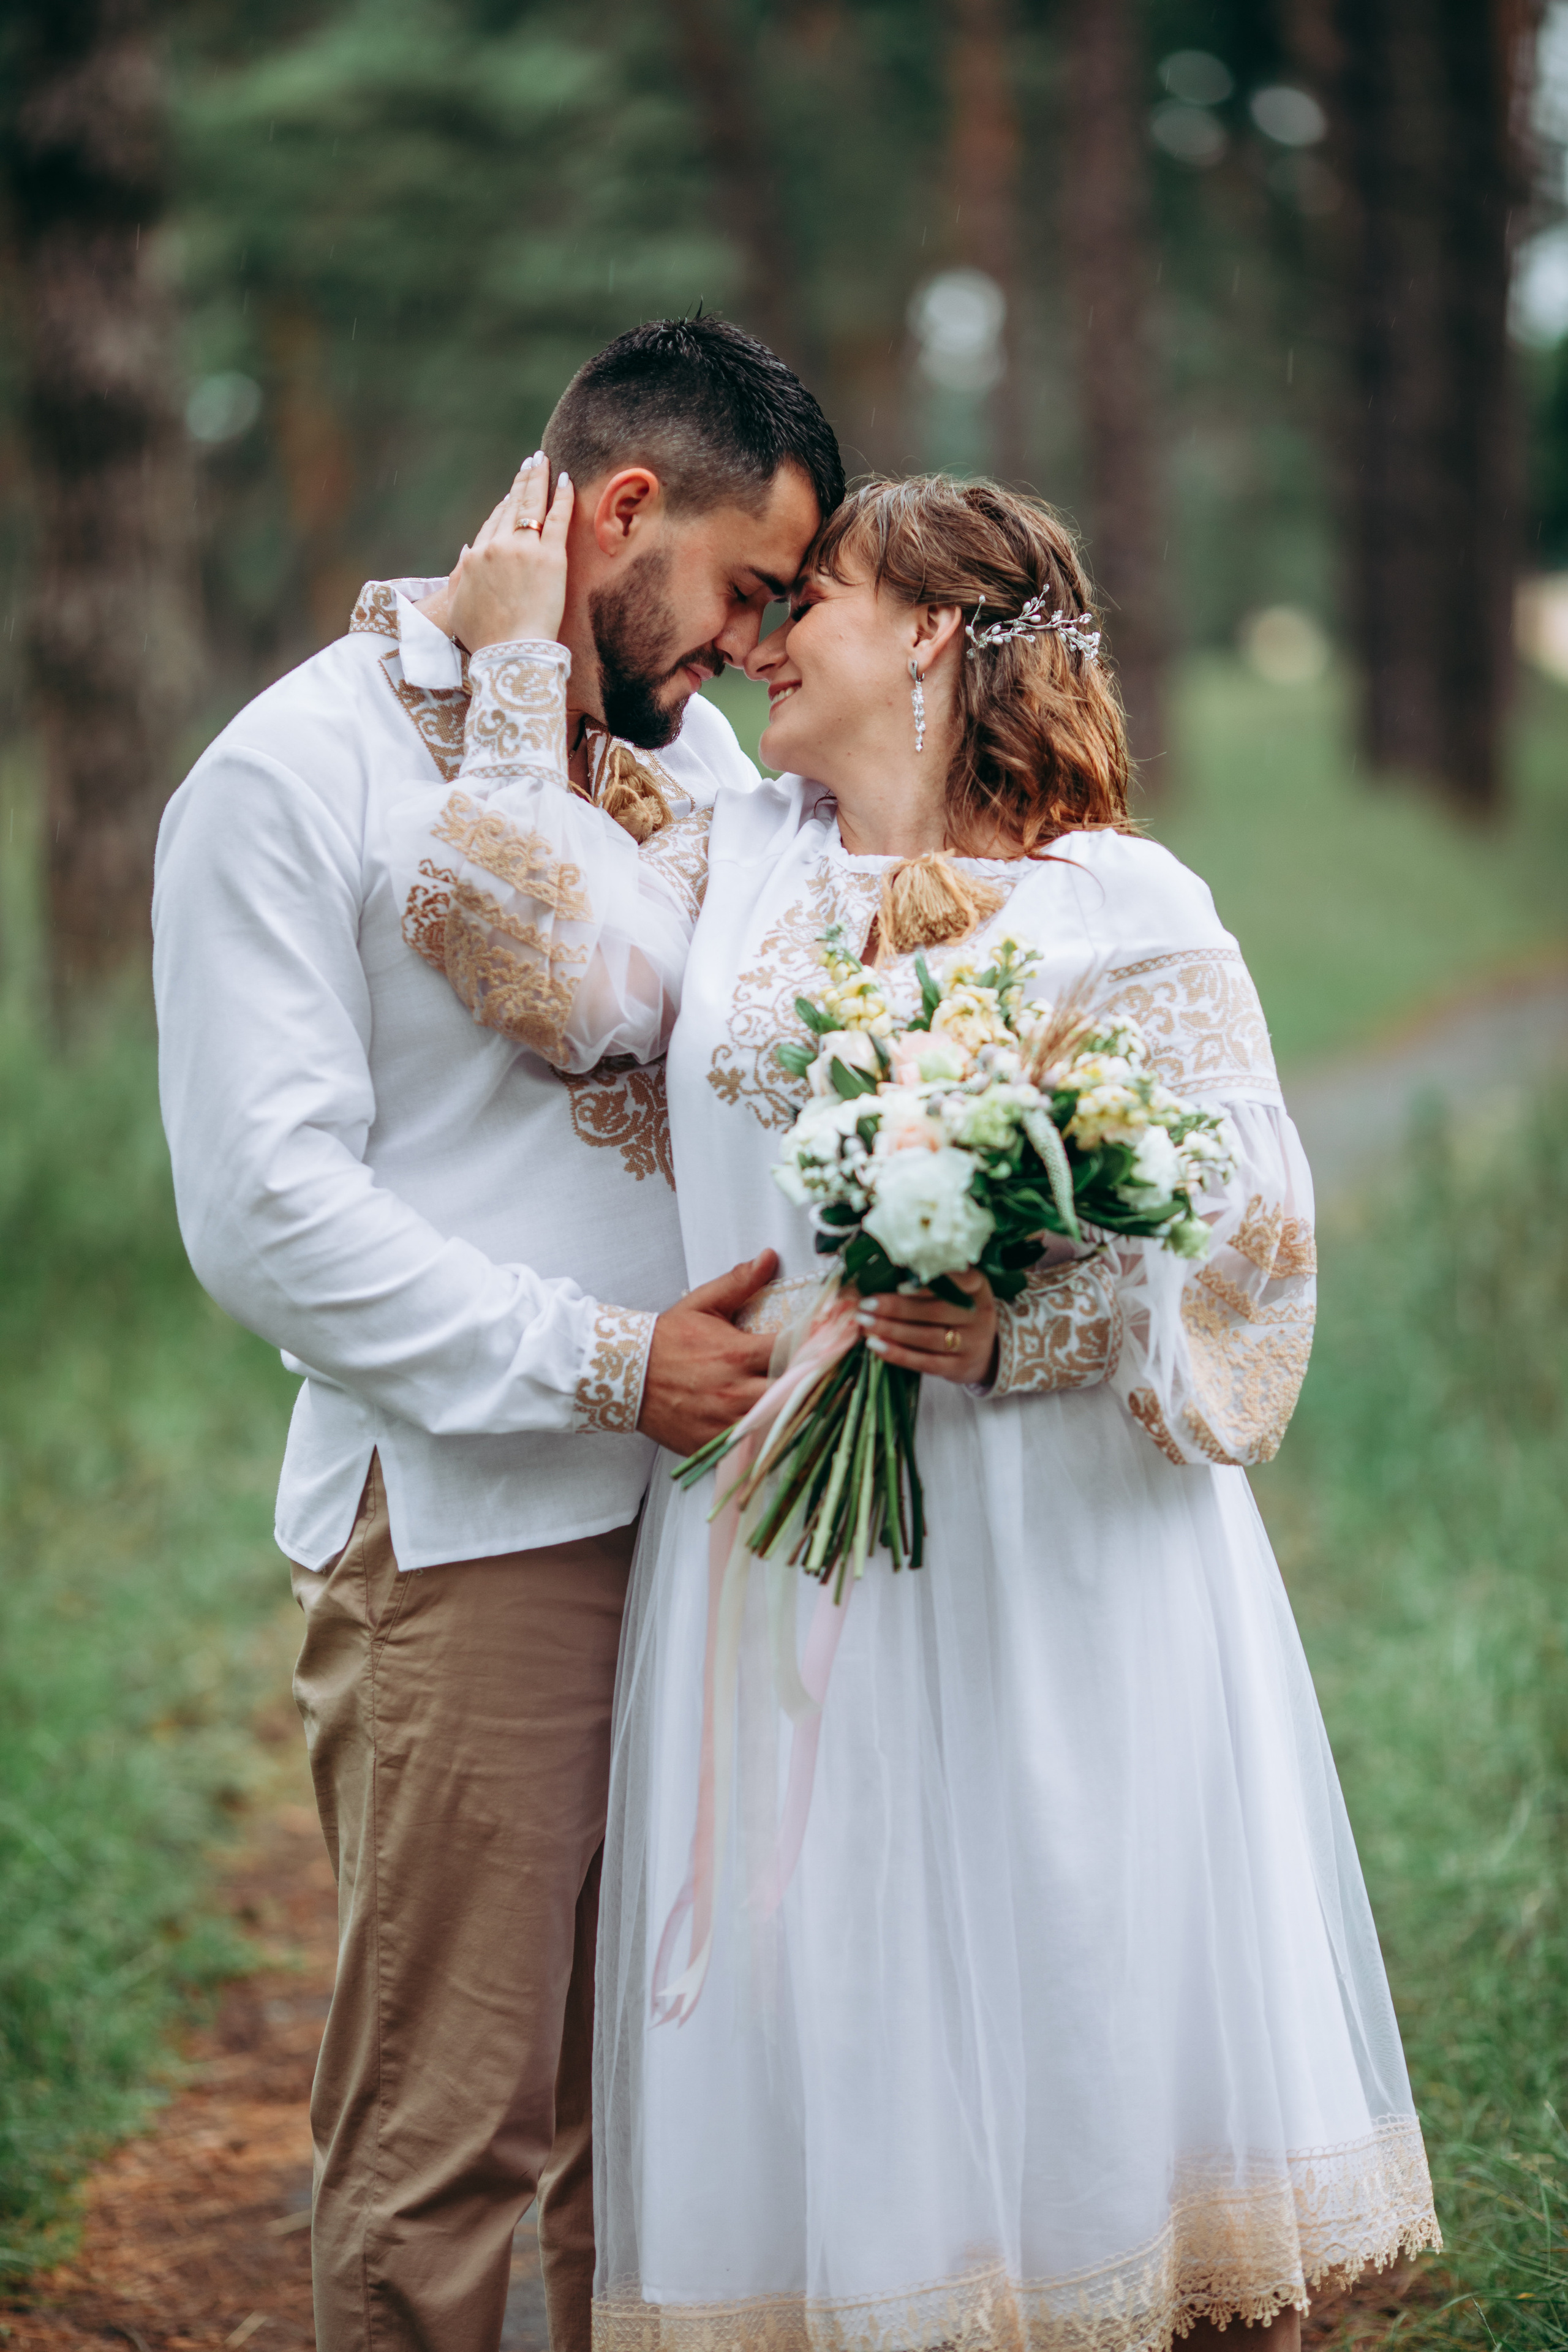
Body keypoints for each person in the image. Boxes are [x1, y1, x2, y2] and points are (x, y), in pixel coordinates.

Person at [405, 469, 1441, 2352]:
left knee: (1069, 1981)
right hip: (784, 1546)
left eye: (819, 600)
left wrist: (1024, 1316)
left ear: (935, 633)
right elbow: (519, 957)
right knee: (829, 2009)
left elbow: (1253, 1234)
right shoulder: (743, 860)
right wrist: (508, 678)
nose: (770, 636)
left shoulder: (1124, 898)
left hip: (1056, 1557)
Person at [152, 316, 840, 2352]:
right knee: (454, 2129)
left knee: (670, 2113)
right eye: (745, 590)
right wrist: (605, 1363)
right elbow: (267, 1218)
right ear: (624, 511)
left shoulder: (700, 764)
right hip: (471, 1535)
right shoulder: (292, 773)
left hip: (719, 1527)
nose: (745, 647)